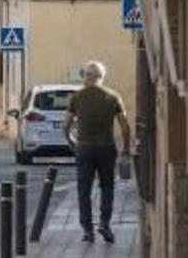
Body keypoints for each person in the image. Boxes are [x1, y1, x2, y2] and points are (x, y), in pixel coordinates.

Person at [62, 60, 132, 244]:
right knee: (107, 187)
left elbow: (65, 126)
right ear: (102, 77)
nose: (84, 78)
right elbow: (125, 126)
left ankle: (87, 230)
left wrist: (72, 142)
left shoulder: (77, 97)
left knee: (83, 190)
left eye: (85, 74)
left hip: (84, 148)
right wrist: (126, 148)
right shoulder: (113, 96)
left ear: (91, 76)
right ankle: (104, 224)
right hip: (106, 148)